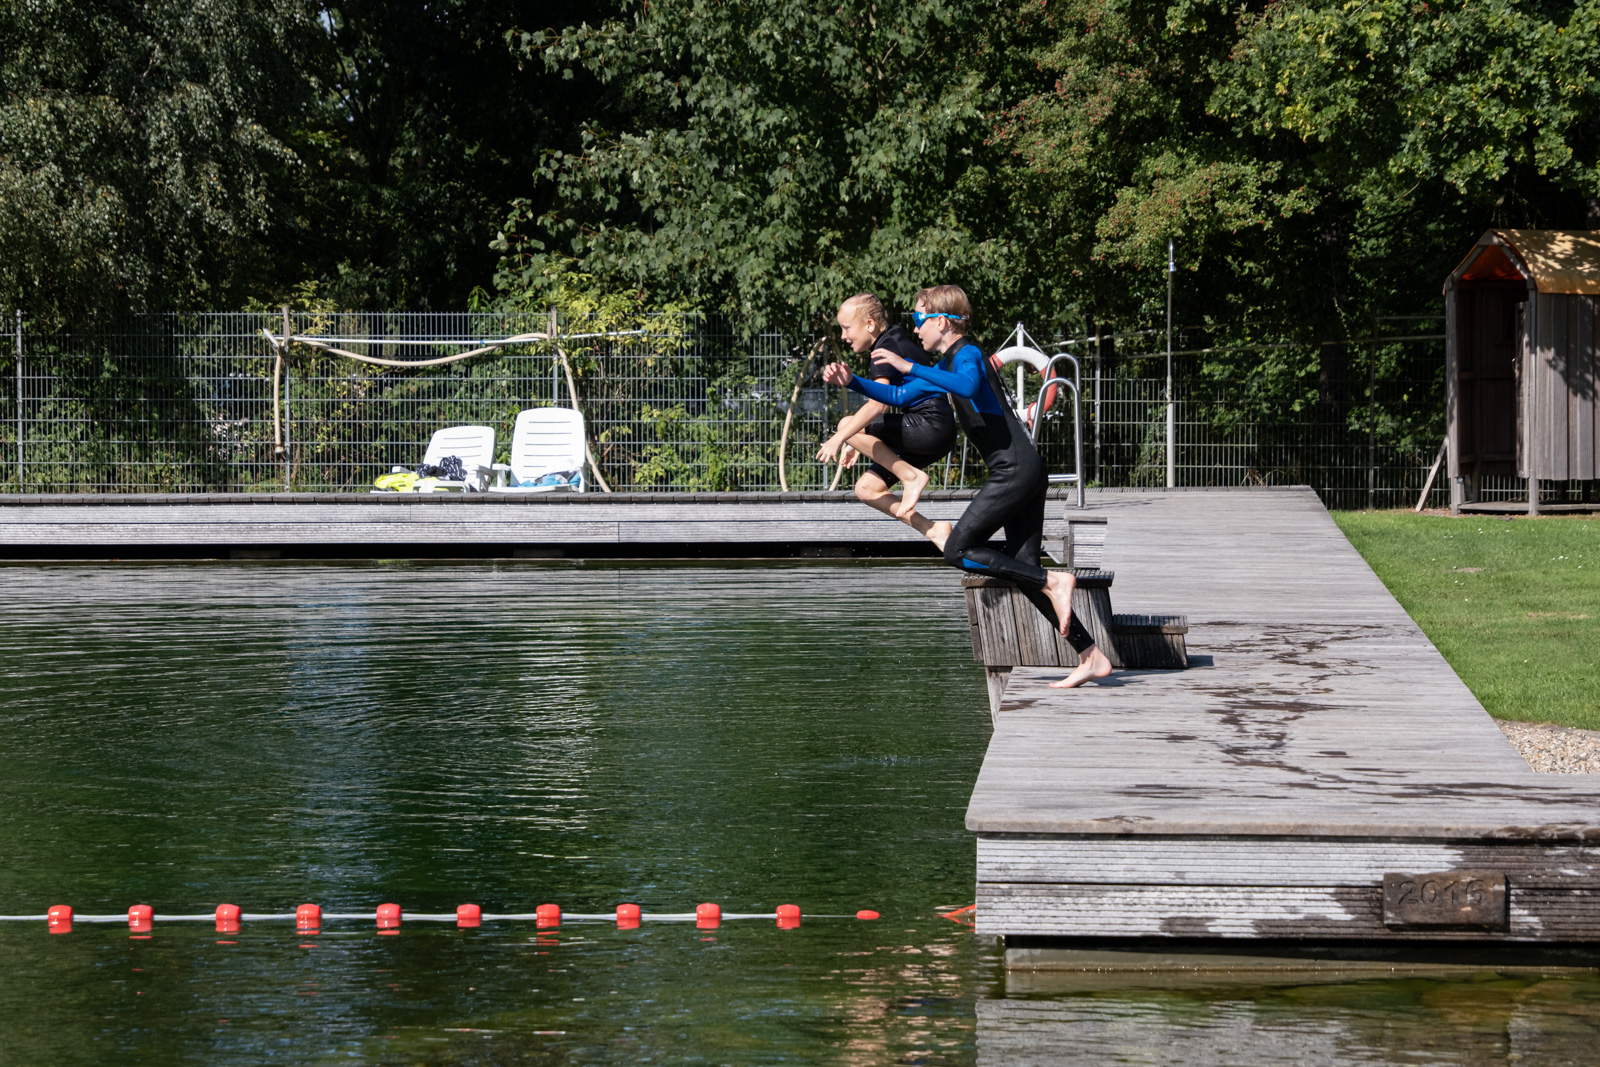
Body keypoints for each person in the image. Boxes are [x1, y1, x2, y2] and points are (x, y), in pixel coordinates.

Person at [823, 285, 1113, 688]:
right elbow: (898, 395)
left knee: (958, 549)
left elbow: (965, 385)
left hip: (1015, 471)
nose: (916, 329)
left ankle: (1055, 582)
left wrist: (910, 367)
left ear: (942, 322)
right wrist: (852, 381)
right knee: (1024, 571)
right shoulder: (942, 367)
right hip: (1022, 471)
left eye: (920, 319)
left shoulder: (970, 355)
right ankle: (1090, 654)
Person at [816, 293, 956, 542]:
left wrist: (841, 438)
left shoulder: (884, 348)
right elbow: (892, 399)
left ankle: (910, 476)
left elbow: (878, 405)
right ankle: (933, 530)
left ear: (869, 325)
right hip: (934, 432)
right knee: (867, 489)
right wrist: (857, 440)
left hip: (928, 426)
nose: (843, 336)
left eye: (846, 328)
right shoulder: (895, 338)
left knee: (844, 424)